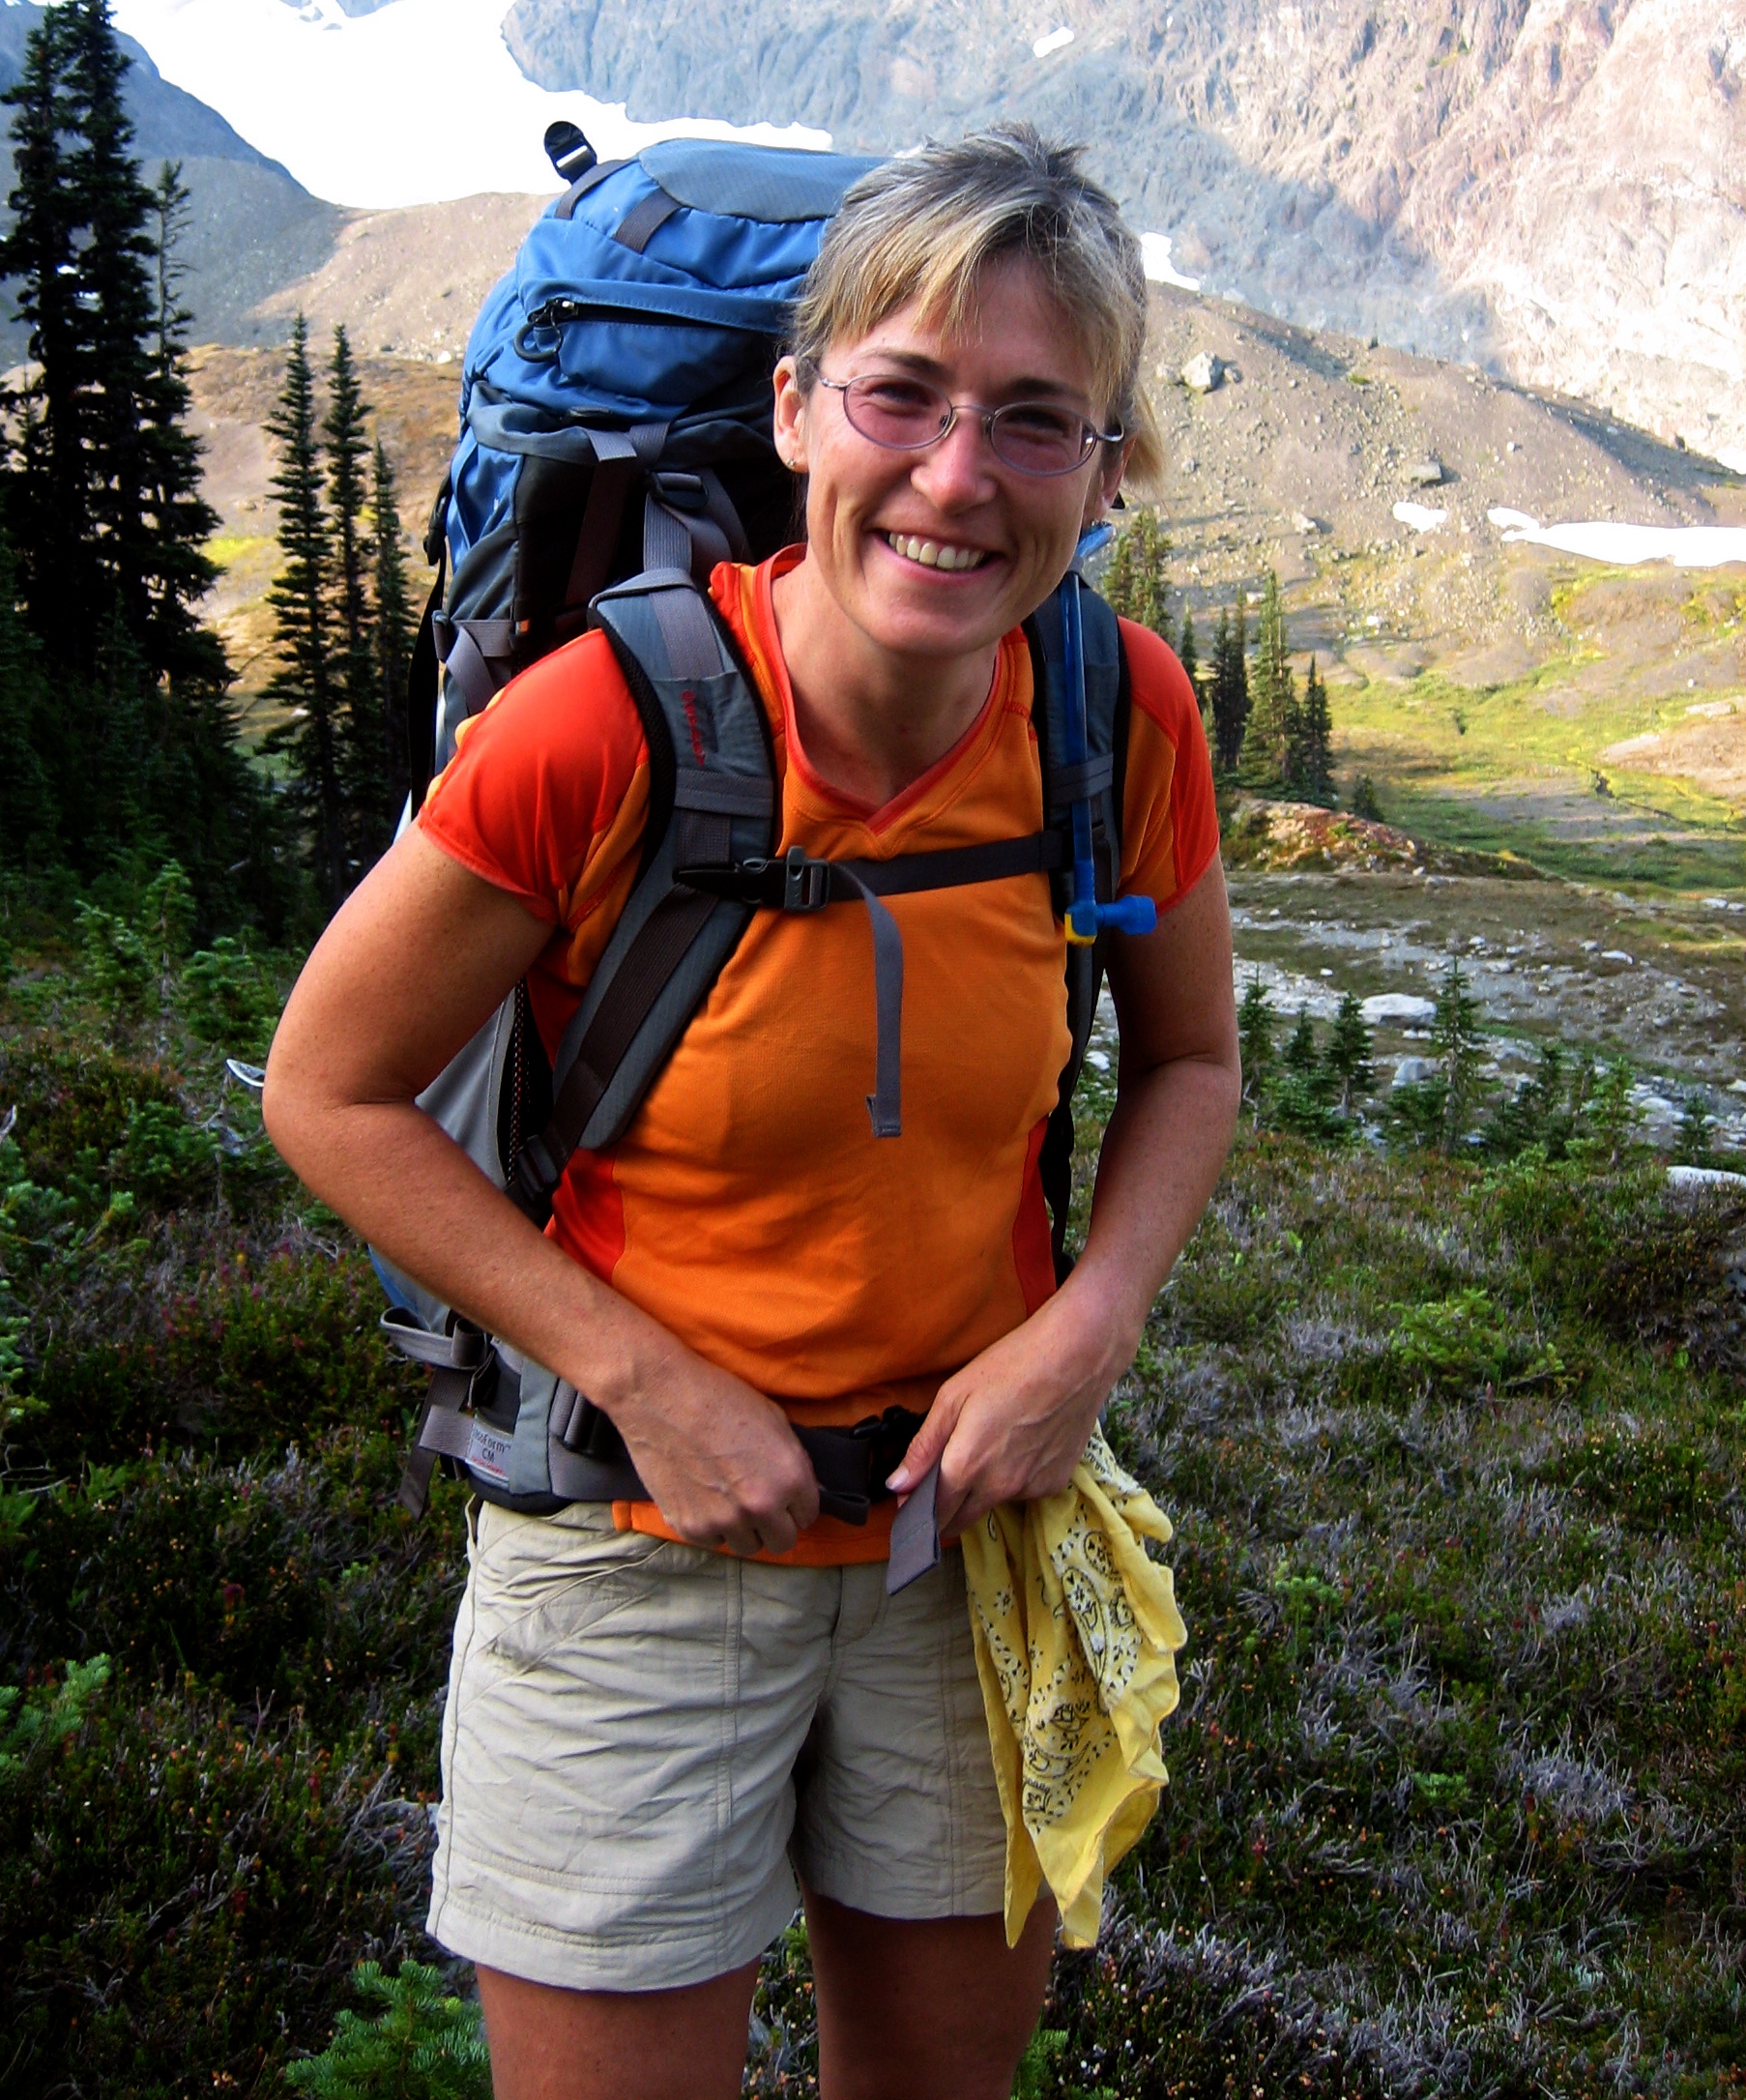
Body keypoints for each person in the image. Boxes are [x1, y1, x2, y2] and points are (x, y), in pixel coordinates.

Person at [264, 126, 1238, 2100]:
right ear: (796, 412)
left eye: (1035, 421)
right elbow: (329, 1089)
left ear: (1105, 469)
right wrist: (646, 1380)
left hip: (966, 1538)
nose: (955, 476)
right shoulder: (602, 722)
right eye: (903, 396)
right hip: (626, 1544)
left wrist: (1088, 1331)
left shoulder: (1113, 710)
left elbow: (1191, 1061)